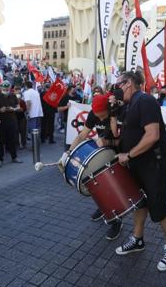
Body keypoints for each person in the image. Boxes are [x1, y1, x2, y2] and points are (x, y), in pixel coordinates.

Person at [114, 71, 166, 272]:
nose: (116, 89)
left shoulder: (146, 100)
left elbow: (152, 136)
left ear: (128, 84)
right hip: (138, 164)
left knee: (158, 207)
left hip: (154, 164)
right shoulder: (128, 105)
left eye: (118, 85)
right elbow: (121, 135)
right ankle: (138, 239)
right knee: (139, 203)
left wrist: (129, 155)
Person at [60, 94, 123, 241]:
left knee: (112, 189)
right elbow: (82, 135)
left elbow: (120, 137)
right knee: (97, 183)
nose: (99, 119)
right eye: (97, 116)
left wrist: (107, 141)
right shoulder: (93, 114)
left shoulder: (118, 113)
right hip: (103, 152)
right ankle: (103, 208)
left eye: (102, 116)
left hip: (120, 152)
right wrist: (68, 153)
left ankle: (116, 221)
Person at [0, 81, 22, 167]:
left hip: (12, 121)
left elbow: (18, 106)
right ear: (1, 88)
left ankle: (14, 157)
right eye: (4, 89)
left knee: (12, 140)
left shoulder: (13, 96)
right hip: (1, 122)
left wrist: (14, 109)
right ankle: (0, 159)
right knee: (0, 141)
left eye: (7, 89)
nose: (6, 90)